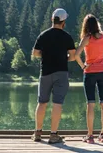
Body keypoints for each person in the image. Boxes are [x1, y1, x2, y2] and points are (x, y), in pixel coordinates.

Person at [31, 8, 76, 144]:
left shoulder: (43, 35)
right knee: (57, 103)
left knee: (42, 102)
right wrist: (65, 58)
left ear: (52, 20)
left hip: (45, 73)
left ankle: (38, 133)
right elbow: (73, 56)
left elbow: (35, 53)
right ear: (63, 22)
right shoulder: (67, 37)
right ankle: (53, 135)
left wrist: (45, 55)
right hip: (61, 73)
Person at [75, 14, 103, 144]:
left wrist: (82, 65)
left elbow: (76, 54)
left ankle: (90, 137)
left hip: (90, 72)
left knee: (90, 103)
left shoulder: (86, 38)